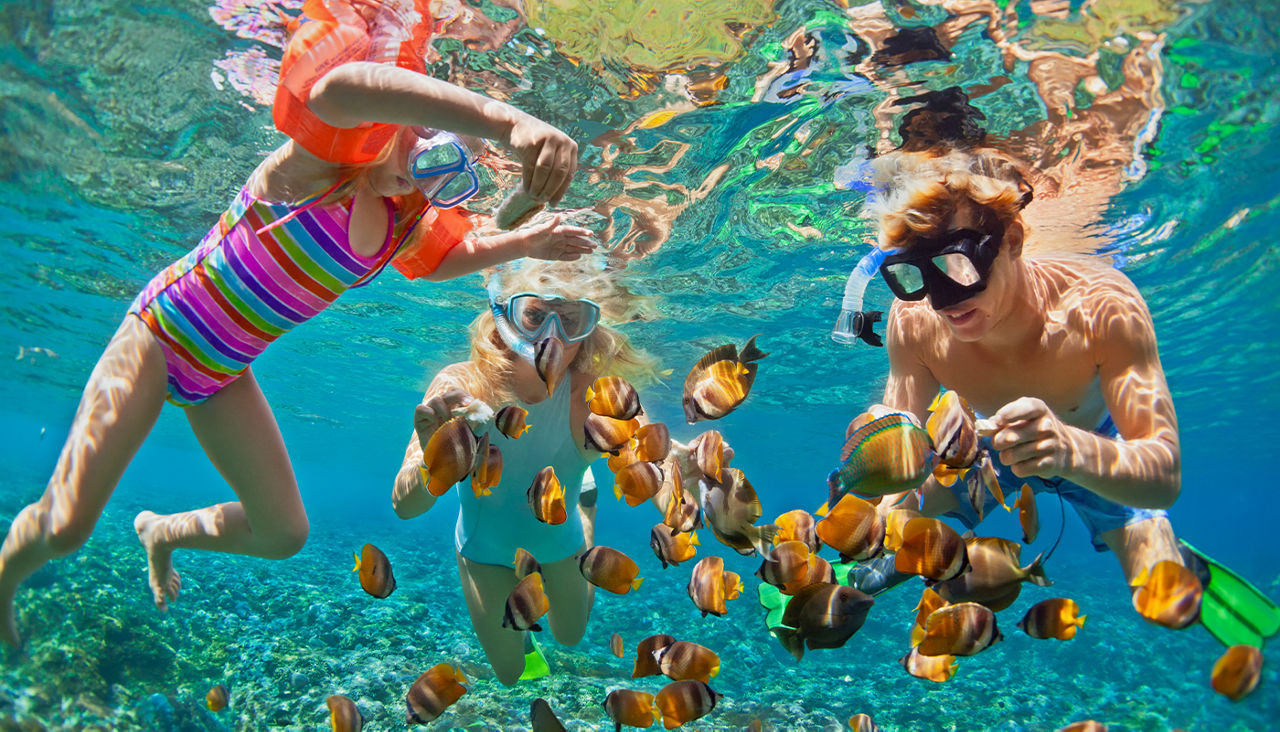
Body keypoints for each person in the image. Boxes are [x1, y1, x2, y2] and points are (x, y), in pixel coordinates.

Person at [0, 0, 599, 648]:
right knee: (66, 525)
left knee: (284, 533)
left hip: (222, 372)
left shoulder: (400, 221)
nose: (425, 170)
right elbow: (336, 88)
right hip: (159, 336)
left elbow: (454, 254)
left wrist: (526, 242)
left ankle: (162, 531)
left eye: (452, 175)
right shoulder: (318, 168)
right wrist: (509, 123)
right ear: (411, 111)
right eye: (429, 140)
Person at [844, 146, 1280, 648]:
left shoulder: (1103, 305)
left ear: (1011, 239)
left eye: (959, 265)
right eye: (914, 274)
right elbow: (905, 451)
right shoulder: (914, 321)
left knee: (1158, 595)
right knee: (886, 531)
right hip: (981, 447)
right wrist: (883, 511)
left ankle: (1179, 563)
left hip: (1097, 445)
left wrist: (1071, 451)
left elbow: (1163, 475)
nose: (944, 299)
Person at [391, 257, 658, 685]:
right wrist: (432, 459)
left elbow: (649, 453)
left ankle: (585, 513)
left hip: (560, 536)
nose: (550, 336)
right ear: (503, 317)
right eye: (534, 316)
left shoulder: (593, 390)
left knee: (570, 637)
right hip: (485, 550)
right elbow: (405, 507)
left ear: (588, 330)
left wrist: (683, 470)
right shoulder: (462, 384)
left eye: (571, 319)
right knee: (511, 673)